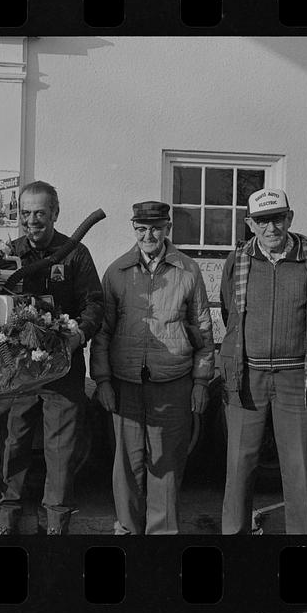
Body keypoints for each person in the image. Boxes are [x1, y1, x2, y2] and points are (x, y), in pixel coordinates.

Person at [90, 201, 215, 535]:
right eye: (142, 229)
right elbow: (102, 332)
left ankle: (163, 536)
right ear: (134, 229)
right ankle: (129, 531)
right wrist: (101, 379)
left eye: (156, 228)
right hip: (125, 381)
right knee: (128, 463)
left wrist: (202, 381)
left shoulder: (188, 271)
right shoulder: (117, 272)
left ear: (167, 229)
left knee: (168, 464)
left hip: (173, 379)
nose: (149, 235)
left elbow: (203, 329)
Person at [219, 188, 307, 534]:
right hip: (247, 376)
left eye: (278, 218)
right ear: (250, 224)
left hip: (296, 377)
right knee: (239, 466)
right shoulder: (237, 260)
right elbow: (230, 314)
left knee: (299, 468)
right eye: (263, 220)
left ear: (290, 218)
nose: (272, 228)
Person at [0, 181, 104, 535]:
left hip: (62, 366)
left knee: (61, 448)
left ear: (55, 213)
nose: (32, 220)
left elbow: (94, 304)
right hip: (19, 368)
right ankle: (7, 518)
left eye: (40, 213)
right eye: (25, 213)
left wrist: (78, 336)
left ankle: (56, 521)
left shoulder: (75, 253)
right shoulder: (9, 255)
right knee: (14, 440)